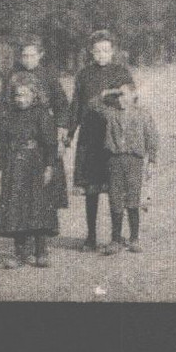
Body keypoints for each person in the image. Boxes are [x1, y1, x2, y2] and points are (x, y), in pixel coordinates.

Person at [65, 30, 135, 250]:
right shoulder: (84, 75)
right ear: (91, 52)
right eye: (97, 51)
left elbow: (132, 100)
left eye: (106, 50)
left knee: (116, 188)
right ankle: (91, 236)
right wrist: (69, 132)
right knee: (92, 189)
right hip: (90, 137)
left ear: (113, 51)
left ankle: (116, 236)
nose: (101, 55)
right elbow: (76, 105)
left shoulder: (121, 72)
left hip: (114, 136)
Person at [0, 39, 69, 219]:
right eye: (24, 56)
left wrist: (61, 126)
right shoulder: (12, 76)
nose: (28, 60)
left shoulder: (48, 75)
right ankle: (21, 226)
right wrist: (3, 130)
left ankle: (42, 227)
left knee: (46, 181)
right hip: (19, 130)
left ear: (40, 55)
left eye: (32, 55)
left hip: (43, 132)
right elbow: (3, 104)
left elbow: (61, 103)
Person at [0, 78, 61, 268]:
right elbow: (2, 142)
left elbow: (50, 143)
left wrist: (49, 167)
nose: (20, 99)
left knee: (37, 206)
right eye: (16, 95)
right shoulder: (9, 115)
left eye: (24, 95)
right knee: (16, 208)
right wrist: (4, 163)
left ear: (34, 95)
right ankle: (19, 253)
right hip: (14, 166)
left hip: (35, 165)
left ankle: (41, 251)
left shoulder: (42, 115)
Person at [99, 82, 159, 254]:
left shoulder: (143, 115)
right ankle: (115, 239)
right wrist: (111, 90)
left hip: (134, 160)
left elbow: (152, 138)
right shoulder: (111, 113)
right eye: (119, 95)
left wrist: (152, 161)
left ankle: (134, 238)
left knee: (133, 198)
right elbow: (96, 103)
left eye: (125, 95)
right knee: (115, 199)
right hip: (114, 160)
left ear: (134, 96)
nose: (121, 99)